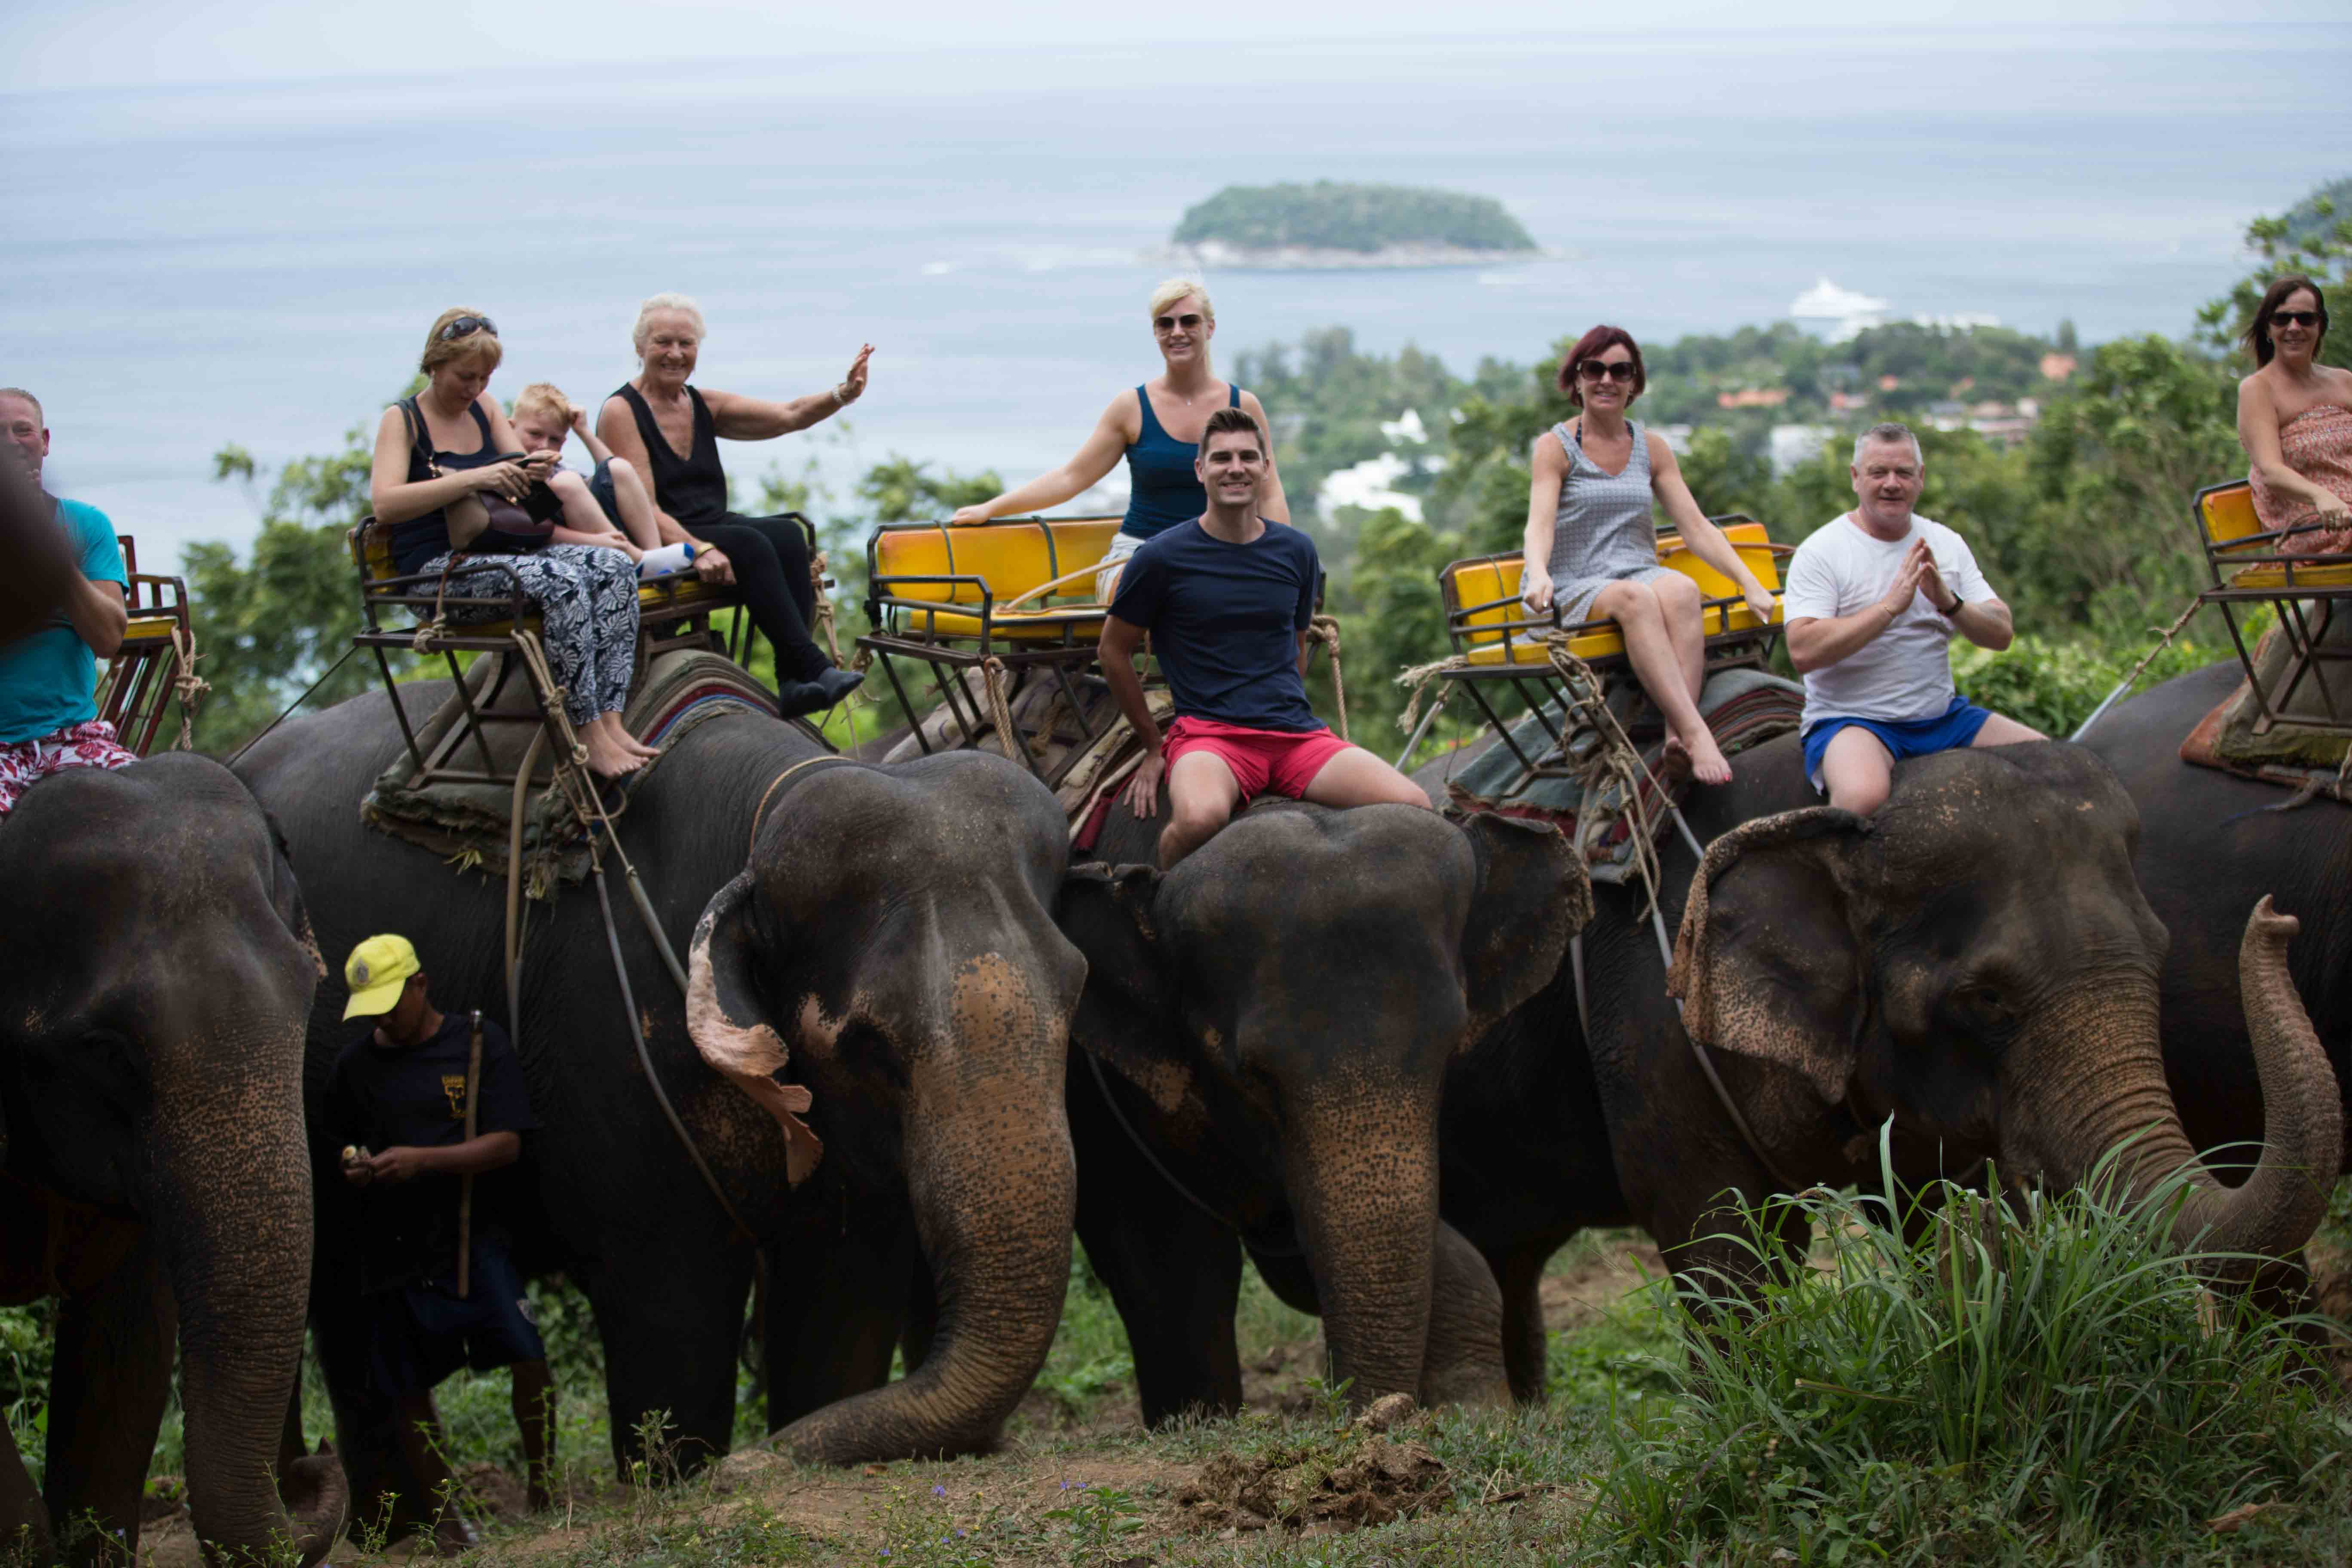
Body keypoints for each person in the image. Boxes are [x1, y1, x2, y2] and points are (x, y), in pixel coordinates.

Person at [1099, 406, 1428, 869]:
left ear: (1266, 468)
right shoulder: (1160, 558)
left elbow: (1294, 647)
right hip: (1212, 738)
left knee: (1416, 808)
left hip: (1296, 738)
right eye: (1222, 458)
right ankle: (1152, 902)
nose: (1236, 468)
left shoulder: (1297, 550)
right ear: (1200, 470)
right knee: (1199, 819)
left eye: (1248, 457)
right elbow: (1113, 651)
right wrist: (1155, 745)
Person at [327, 935, 554, 1547]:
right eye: (371, 1008)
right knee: (406, 1391)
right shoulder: (354, 1069)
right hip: (394, 1250)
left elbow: (509, 1142)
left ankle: (544, 1489)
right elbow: (340, 1148)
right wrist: (358, 1167)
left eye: (391, 1002)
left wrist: (422, 1162)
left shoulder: (478, 1044)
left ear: (421, 985)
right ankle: (451, 1524)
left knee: (529, 1356)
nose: (383, 1018)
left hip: (470, 1235)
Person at [368, 310, 656, 779]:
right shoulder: (402, 421)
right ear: (435, 365)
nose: (475, 388)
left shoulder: (483, 410)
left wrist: (536, 474)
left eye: (484, 378)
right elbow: (385, 505)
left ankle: (610, 719)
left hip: (501, 551)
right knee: (562, 581)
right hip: (439, 569)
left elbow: (528, 499)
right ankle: (584, 731)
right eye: (466, 376)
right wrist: (472, 479)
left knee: (609, 566)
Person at [1518, 327, 1777, 786]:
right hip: (1573, 583)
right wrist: (1538, 573)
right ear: (1576, 380)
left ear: (1634, 383)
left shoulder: (1651, 447)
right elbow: (1539, 523)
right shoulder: (1555, 447)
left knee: (1681, 589)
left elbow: (1695, 526)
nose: (1606, 380)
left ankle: (1678, 737)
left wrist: (1748, 581)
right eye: (1594, 369)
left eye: (1620, 371)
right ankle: (1699, 732)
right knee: (1634, 599)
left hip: (1636, 569)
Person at [595, 293, 868, 718]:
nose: (675, 354)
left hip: (710, 521)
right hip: (659, 534)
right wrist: (699, 549)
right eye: (663, 342)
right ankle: (814, 665)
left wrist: (844, 393)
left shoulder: (701, 402)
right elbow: (644, 508)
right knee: (750, 543)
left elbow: (787, 415)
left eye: (686, 344)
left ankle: (792, 681)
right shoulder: (621, 410)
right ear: (640, 347)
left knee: (787, 534)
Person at [950, 278, 1292, 603]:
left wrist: (1278, 557)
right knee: (1169, 595)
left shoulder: (1243, 406)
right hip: (1138, 555)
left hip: (1217, 555)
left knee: (1213, 597)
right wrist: (992, 508)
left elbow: (1270, 491)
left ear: (1210, 328)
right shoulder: (1131, 408)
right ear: (1155, 333)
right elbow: (1072, 477)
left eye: (1189, 321)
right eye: (1165, 324)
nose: (1177, 332)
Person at [1782, 422, 2041, 815]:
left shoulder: (1946, 544)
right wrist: (1888, 608)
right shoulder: (1822, 551)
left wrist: (1949, 602)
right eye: (1878, 473)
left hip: (1943, 717)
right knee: (1861, 799)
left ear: (1920, 479)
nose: (1892, 484)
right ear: (1855, 478)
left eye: (1903, 473)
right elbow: (1803, 650)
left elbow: (2001, 632)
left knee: (2052, 765)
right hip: (1855, 722)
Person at [0, 387, 134, 817]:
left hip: (72, 739)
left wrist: (46, 543)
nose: (11, 442)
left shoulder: (86, 524)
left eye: (23, 431)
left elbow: (109, 639)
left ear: (45, 442)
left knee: (150, 815)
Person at [2237, 275, 2352, 556]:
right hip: (2313, 519)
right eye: (2282, 319)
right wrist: (2322, 497)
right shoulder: (2259, 389)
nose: (2294, 327)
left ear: (2320, 325)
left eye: (2305, 318)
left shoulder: (2344, 381)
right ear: (2268, 327)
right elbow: (2272, 472)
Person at [507, 382, 662, 564]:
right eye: (535, 434)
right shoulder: (507, 471)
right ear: (510, 428)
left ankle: (656, 556)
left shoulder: (560, 467)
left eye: (555, 439)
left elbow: (611, 473)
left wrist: (583, 431)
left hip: (600, 536)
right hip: (554, 542)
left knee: (619, 467)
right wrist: (599, 542)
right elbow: (536, 529)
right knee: (567, 482)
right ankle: (638, 560)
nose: (544, 446)